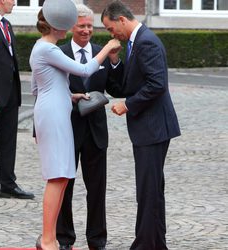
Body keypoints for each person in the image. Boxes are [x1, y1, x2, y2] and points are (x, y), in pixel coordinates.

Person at [29, 1, 121, 250]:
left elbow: (39, 87)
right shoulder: (50, 49)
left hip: (58, 111)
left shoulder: (42, 47)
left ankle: (50, 238)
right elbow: (83, 70)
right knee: (58, 177)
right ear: (60, 27)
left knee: (60, 176)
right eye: (73, 23)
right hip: (57, 116)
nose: (80, 28)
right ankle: (49, 239)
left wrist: (70, 96)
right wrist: (109, 49)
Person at [101, 1, 181, 250]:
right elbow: (126, 85)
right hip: (149, 128)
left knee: (148, 191)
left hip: (153, 128)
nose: (111, 34)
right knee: (152, 191)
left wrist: (128, 105)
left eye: (110, 28)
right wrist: (114, 61)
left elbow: (157, 84)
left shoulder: (146, 41)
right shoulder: (135, 42)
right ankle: (155, 244)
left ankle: (145, 245)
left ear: (121, 20)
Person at [56, 4, 122, 250]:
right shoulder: (58, 52)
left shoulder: (102, 52)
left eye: (89, 26)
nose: (86, 31)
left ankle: (97, 241)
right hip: (67, 128)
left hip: (96, 131)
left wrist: (114, 62)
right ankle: (64, 239)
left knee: (97, 190)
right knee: (65, 187)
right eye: (81, 26)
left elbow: (118, 89)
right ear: (71, 26)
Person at [0, 0, 34, 200]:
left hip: (11, 92)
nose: (14, 2)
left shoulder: (7, 24)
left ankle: (8, 185)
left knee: (9, 141)